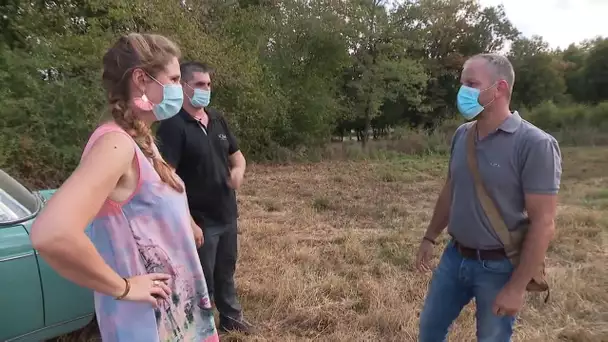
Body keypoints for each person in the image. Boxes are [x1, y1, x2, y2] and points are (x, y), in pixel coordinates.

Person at [30, 33, 218, 342]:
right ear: (142, 80)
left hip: (174, 314)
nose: (177, 88)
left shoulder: (140, 137)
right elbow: (51, 233)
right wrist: (124, 286)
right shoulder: (116, 144)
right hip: (148, 323)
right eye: (172, 79)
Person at [415, 53, 562, 342]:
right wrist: (430, 236)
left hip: (499, 267)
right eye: (461, 83)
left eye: (471, 83)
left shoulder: (535, 144)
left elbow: (543, 222)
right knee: (429, 331)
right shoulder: (463, 134)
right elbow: (451, 188)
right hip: (454, 257)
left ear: (500, 88)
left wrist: (517, 287)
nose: (462, 92)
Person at [155, 61, 252, 334]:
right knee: (202, 279)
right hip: (200, 221)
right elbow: (167, 179)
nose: (205, 90)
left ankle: (232, 319)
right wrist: (189, 221)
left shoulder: (217, 119)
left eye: (208, 85)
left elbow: (238, 157)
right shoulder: (173, 127)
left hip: (226, 213)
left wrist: (238, 172)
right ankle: (203, 330)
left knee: (225, 271)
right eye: (199, 85)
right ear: (184, 87)